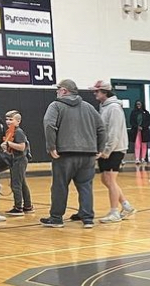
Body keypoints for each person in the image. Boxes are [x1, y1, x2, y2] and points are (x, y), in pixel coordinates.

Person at [41, 79, 105, 229]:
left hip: (65, 154)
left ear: (64, 91)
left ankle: (56, 218)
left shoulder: (56, 105)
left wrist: (51, 146)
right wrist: (100, 148)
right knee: (85, 186)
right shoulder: (89, 107)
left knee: (60, 186)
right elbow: (101, 128)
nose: (56, 91)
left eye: (58, 89)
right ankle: (87, 218)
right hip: (88, 154)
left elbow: (49, 124)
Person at [92, 81, 136, 223]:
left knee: (110, 180)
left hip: (115, 150)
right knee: (106, 179)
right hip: (107, 149)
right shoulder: (103, 107)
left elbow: (114, 132)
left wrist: (107, 151)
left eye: (97, 91)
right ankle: (126, 205)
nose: (95, 94)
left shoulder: (114, 108)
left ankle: (114, 212)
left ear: (105, 92)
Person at [3, 110, 32, 216]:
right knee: (22, 183)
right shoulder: (10, 131)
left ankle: (18, 207)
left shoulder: (18, 132)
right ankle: (27, 206)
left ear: (18, 121)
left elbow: (21, 147)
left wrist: (8, 143)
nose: (8, 121)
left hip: (19, 160)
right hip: (15, 159)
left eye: (11, 119)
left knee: (16, 184)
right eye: (7, 119)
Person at [130, 100, 150, 165]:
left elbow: (149, 121)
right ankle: (137, 158)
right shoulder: (133, 112)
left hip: (144, 131)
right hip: (136, 131)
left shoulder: (146, 112)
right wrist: (137, 127)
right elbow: (131, 121)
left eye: (139, 104)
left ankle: (143, 158)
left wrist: (143, 127)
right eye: (137, 104)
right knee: (137, 145)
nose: (138, 105)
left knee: (144, 145)